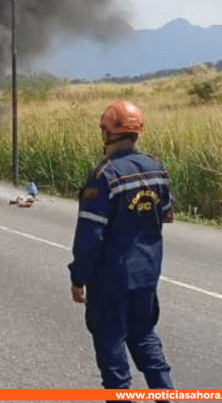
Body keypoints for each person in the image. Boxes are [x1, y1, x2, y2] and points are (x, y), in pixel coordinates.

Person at [68, 100, 174, 397]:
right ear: (138, 132)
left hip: (110, 277)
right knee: (143, 334)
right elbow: (166, 213)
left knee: (111, 340)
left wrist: (78, 277)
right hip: (147, 273)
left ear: (107, 133)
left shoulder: (104, 175)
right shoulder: (157, 169)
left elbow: (90, 236)